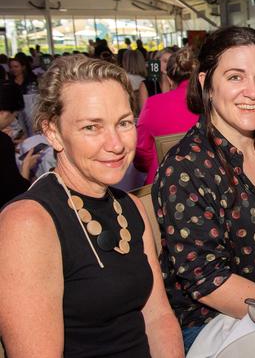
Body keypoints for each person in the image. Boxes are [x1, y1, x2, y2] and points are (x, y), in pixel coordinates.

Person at [0, 55, 183, 357]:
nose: (116, 144)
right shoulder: (28, 224)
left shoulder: (131, 207)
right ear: (53, 131)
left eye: (124, 123)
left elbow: (158, 317)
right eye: (91, 127)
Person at [152, 26, 255, 353]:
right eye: (235, 77)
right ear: (205, 84)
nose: (253, 92)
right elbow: (208, 282)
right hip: (211, 322)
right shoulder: (186, 168)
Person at [134, 47, 199, 184]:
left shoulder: (154, 104)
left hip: (164, 182)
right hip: (207, 180)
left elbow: (141, 156)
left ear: (169, 78)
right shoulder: (213, 101)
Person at [0, 82, 40, 207]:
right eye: (14, 116)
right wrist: (26, 168)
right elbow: (15, 194)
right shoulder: (3, 142)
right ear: (4, 112)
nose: (13, 121)